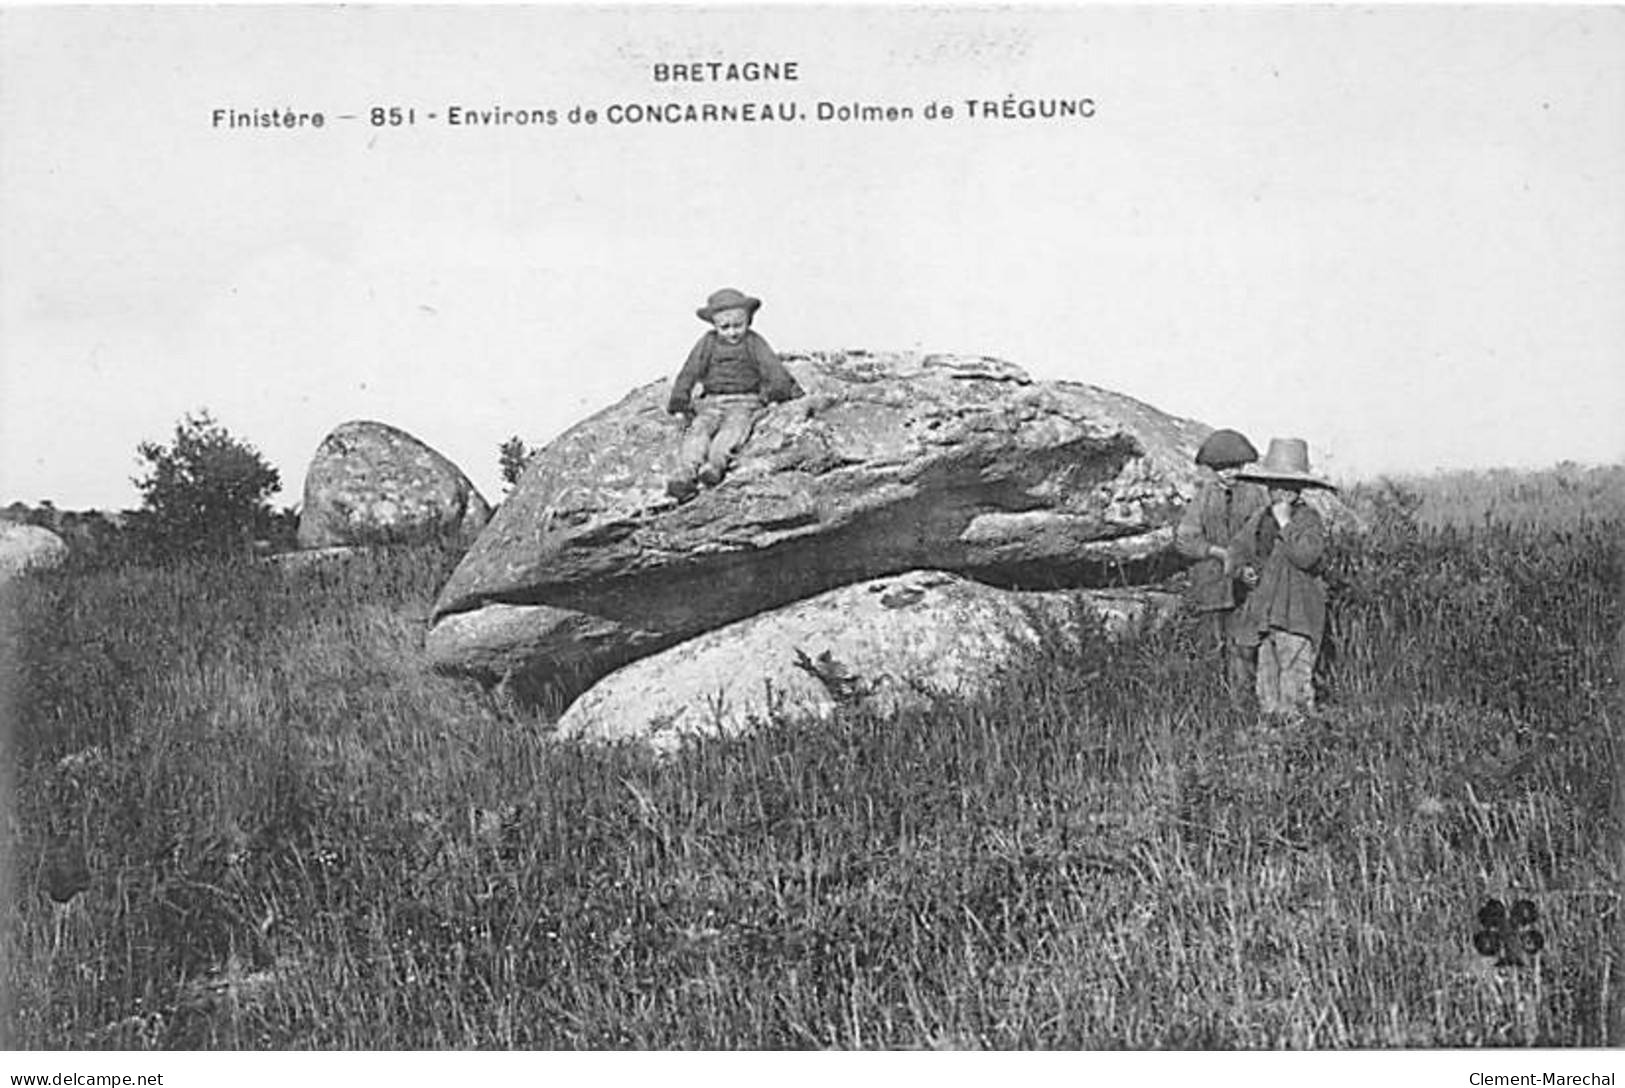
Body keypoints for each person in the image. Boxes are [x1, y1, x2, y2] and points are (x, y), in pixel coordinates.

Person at [1227, 437, 1338, 723]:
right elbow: (1237, 550)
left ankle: (1300, 749)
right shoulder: (1260, 519)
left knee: (1295, 689)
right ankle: (1272, 750)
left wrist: (1286, 524)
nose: (1278, 492)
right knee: (1268, 689)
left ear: (1298, 489)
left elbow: (1306, 557)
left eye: (1286, 486)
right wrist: (1242, 570)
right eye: (1273, 485)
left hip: (1297, 617)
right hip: (1266, 616)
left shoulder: (1307, 520)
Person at [665, 287, 803, 501]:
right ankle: (686, 473)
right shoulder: (708, 343)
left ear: (748, 321)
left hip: (745, 401)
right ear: (715, 326)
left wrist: (778, 395)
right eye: (725, 327)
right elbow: (690, 370)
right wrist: (679, 403)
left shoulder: (753, 342)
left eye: (738, 325)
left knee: (732, 431)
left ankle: (714, 467)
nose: (732, 332)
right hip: (711, 402)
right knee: (698, 430)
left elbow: (773, 368)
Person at [1175, 428, 1270, 707]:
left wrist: (1251, 565)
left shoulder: (1255, 495)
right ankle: (1210, 707)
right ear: (1213, 470)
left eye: (1235, 466)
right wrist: (1216, 552)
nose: (1229, 473)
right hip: (1210, 586)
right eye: (1222, 468)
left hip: (1245, 586)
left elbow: (1264, 536)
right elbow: (1185, 539)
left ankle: (1242, 706)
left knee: (1243, 648)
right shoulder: (1203, 498)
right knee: (1210, 648)